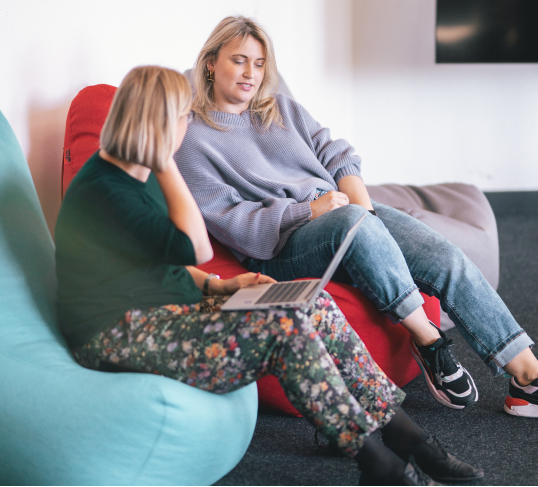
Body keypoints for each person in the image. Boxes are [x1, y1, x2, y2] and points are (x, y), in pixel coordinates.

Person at [55, 65, 483, 487]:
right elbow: (197, 248)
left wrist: (223, 286)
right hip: (117, 331)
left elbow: (162, 260)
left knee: (312, 302)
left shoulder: (133, 172)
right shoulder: (106, 188)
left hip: (165, 306)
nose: (188, 127)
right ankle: (379, 464)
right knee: (284, 330)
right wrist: (167, 163)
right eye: (184, 117)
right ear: (161, 123)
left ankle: (407, 436)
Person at [175, 15, 538, 417]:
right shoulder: (191, 135)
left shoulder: (279, 107)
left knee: (442, 254)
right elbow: (232, 220)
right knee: (353, 224)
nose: (251, 74)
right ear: (210, 62)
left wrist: (364, 208)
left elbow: (337, 153)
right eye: (239, 60)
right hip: (281, 242)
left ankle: (526, 374)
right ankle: (428, 340)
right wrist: (309, 210)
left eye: (259, 64)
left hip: (342, 210)